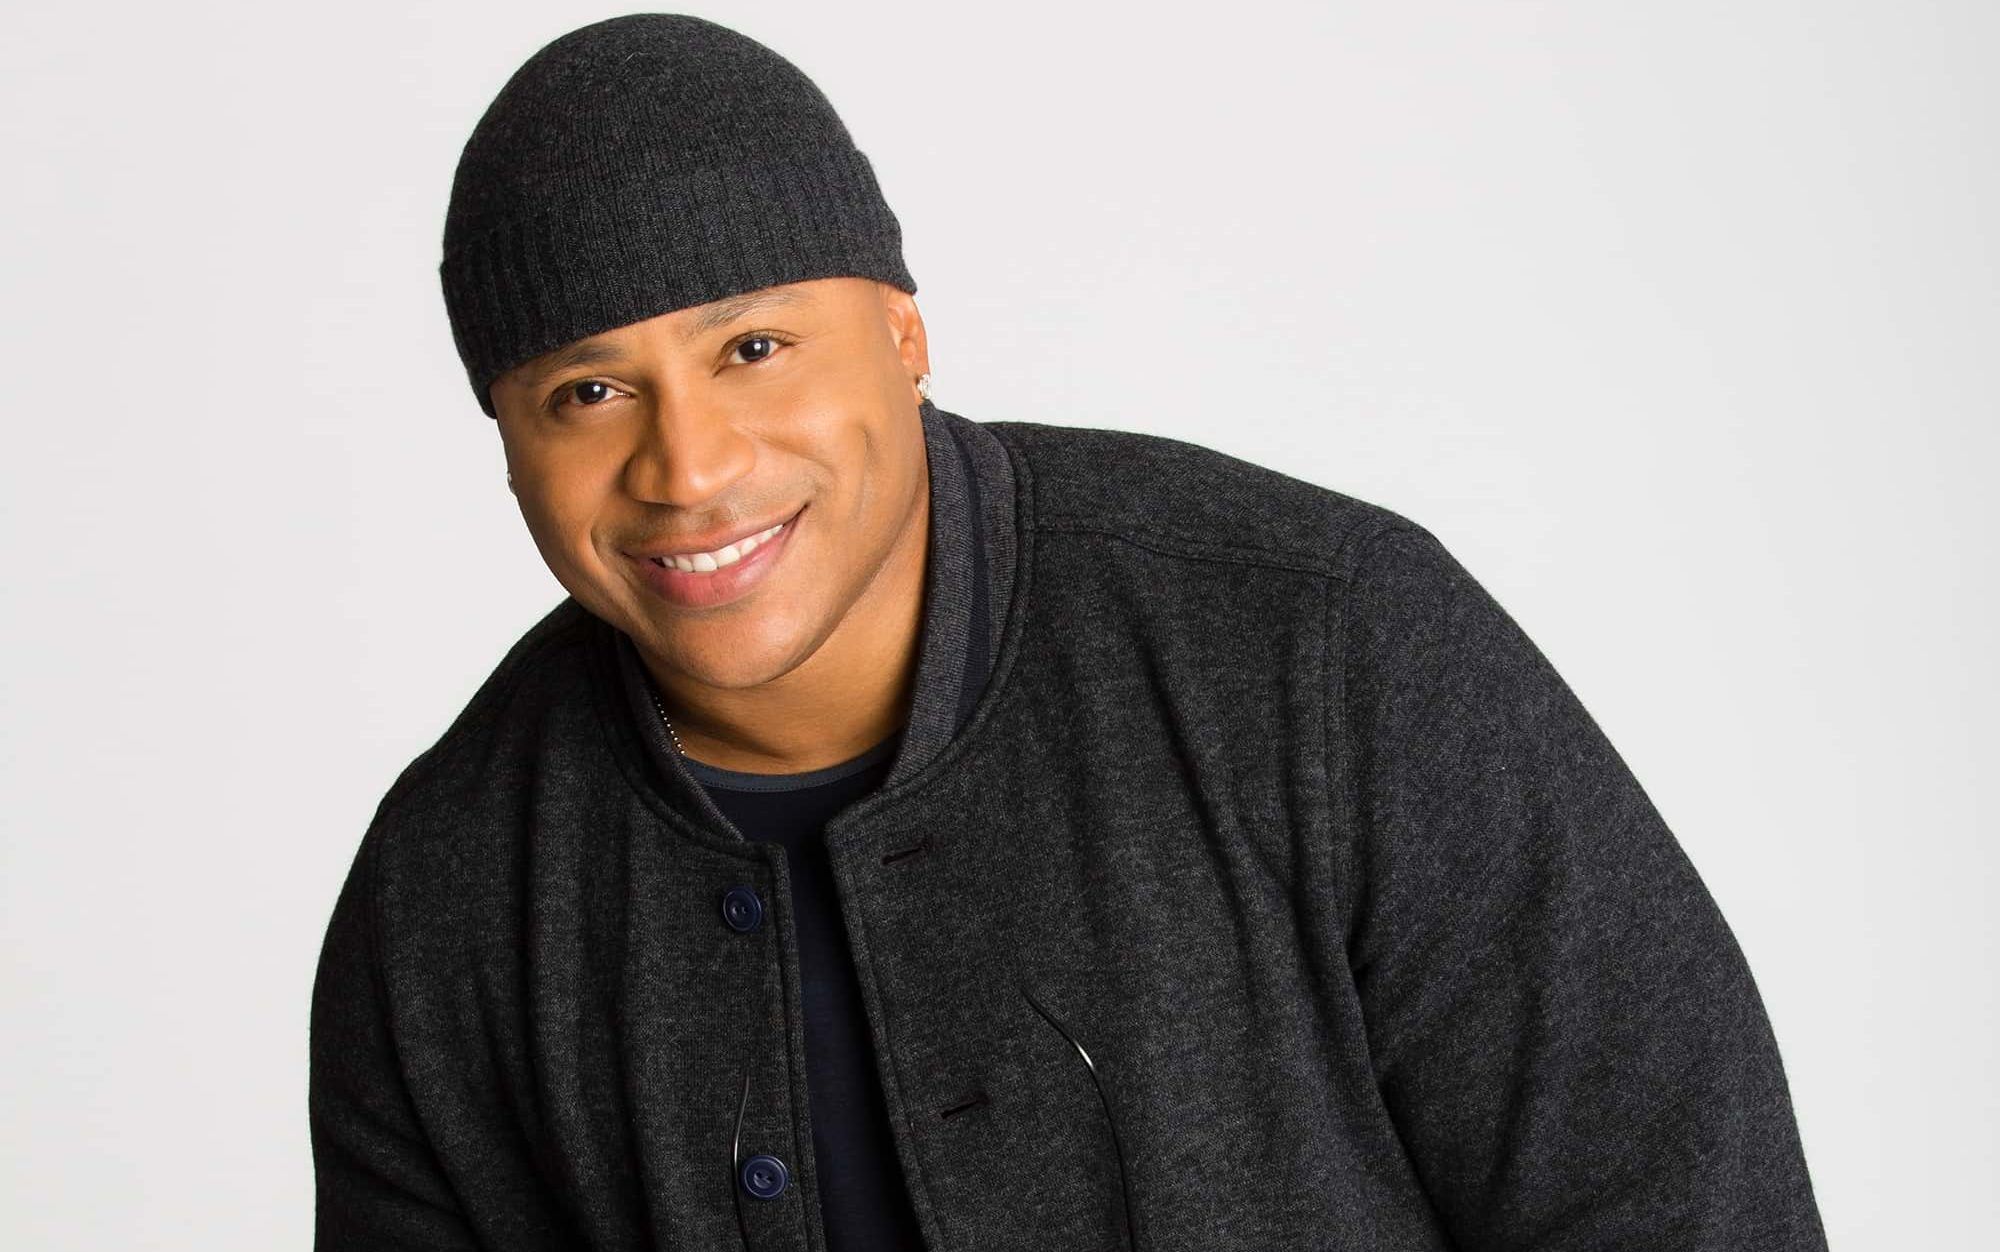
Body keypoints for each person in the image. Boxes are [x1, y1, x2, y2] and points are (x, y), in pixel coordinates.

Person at [308, 13, 1830, 1251]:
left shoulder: (1317, 650)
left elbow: (1682, 1203)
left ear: (904, 332)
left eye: (755, 347)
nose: (689, 468)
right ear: (507, 441)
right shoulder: (448, 892)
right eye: (588, 392)